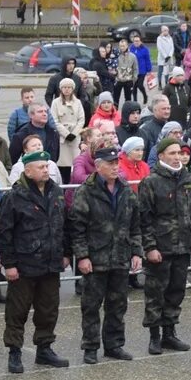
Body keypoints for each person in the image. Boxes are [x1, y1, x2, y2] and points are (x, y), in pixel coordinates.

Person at [0, 151, 71, 373]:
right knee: (17, 311)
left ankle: (44, 349)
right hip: (24, 265)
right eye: (41, 167)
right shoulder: (14, 196)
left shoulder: (56, 192)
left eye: (47, 167)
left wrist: (67, 253)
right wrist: (9, 264)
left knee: (48, 310)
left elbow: (65, 225)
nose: (46, 171)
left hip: (50, 264)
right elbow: (4, 232)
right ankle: (15, 352)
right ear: (27, 171)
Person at [70, 146, 142, 363]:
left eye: (116, 163)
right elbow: (77, 227)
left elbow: (135, 225)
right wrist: (82, 256)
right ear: (98, 166)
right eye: (110, 164)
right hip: (96, 259)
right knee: (91, 306)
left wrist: (136, 251)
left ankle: (114, 345)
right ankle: (90, 347)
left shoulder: (125, 190)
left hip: (120, 257)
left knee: (118, 304)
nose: (115, 167)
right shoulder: (86, 191)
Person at [137, 137, 191, 355]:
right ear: (161, 155)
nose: (177, 157)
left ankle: (169, 333)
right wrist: (150, 247)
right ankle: (154, 336)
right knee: (155, 293)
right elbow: (144, 218)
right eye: (171, 153)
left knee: (176, 291)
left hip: (182, 247)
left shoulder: (188, 179)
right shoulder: (151, 182)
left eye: (179, 152)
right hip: (160, 248)